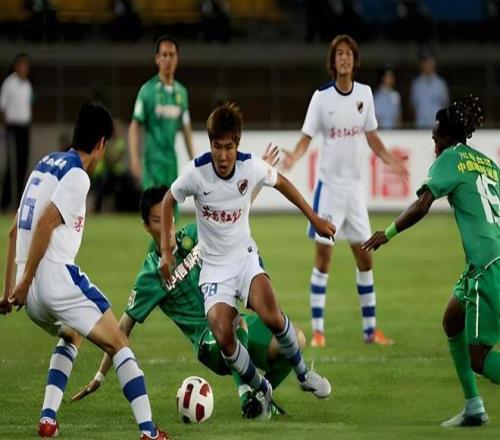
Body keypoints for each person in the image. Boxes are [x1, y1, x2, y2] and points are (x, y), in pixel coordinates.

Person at [1, 102, 168, 439]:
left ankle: (48, 419)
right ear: (102, 143)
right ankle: (149, 432)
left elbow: (14, 231)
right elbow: (46, 222)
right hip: (52, 279)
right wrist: (29, 279)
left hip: (30, 297)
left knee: (71, 334)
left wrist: (11, 291)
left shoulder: (43, 164)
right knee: (118, 342)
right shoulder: (77, 175)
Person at [159, 102, 335, 420]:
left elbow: (282, 183)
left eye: (228, 147)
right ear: (210, 144)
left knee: (273, 317)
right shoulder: (195, 172)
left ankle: (303, 374)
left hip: (244, 259)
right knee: (223, 334)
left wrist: (315, 218)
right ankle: (261, 388)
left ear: (237, 144)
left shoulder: (250, 166)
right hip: (214, 268)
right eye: (217, 146)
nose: (223, 155)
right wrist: (166, 250)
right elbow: (168, 199)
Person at [71, 184, 305, 417]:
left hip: (233, 322)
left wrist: (260, 179)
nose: (166, 226)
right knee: (234, 322)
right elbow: (122, 328)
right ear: (146, 226)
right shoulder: (150, 275)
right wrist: (99, 376)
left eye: (168, 217)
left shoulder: (194, 235)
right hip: (207, 342)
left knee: (296, 339)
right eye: (157, 221)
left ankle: (261, 400)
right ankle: (247, 399)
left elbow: (233, 215)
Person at [362, 95, 499, 427]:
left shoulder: (449, 158)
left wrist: (387, 233)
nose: (434, 144)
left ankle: (474, 406)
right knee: (452, 321)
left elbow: (423, 205)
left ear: (448, 137)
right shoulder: (488, 164)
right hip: (484, 262)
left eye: (436, 138)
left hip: (488, 264)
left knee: (478, 358)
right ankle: (473, 407)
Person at [281, 34, 408, 348]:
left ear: (355, 60)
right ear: (333, 61)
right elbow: (306, 137)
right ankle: (318, 332)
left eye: (349, 53)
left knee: (365, 258)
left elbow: (372, 137)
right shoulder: (321, 97)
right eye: (339, 53)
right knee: (323, 258)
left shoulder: (365, 94)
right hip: (329, 189)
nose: (344, 58)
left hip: (354, 191)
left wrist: (390, 159)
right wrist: (294, 156)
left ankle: (370, 331)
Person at [128, 34, 195, 192]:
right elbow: (134, 126)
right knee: (153, 205)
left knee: (172, 205)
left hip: (171, 163)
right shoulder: (147, 90)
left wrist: (193, 160)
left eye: (172, 55)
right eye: (164, 55)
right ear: (157, 59)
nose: (168, 59)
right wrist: (135, 158)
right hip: (152, 163)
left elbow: (186, 128)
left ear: (177, 58)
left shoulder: (182, 92)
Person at [0, 52, 33, 211]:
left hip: (24, 127)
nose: (24, 68)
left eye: (26, 65)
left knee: (23, 164)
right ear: (16, 66)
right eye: (21, 65)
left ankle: (20, 201)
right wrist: (5, 126)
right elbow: (3, 107)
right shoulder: (9, 83)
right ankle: (5, 202)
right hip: (12, 127)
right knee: (11, 164)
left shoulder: (27, 85)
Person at [410, 48, 449, 128]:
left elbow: (445, 105)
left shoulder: (440, 84)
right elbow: (413, 106)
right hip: (421, 126)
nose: (427, 65)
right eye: (424, 63)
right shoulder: (416, 84)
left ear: (433, 63)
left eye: (429, 62)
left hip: (437, 127)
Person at [373, 64, 402, 129]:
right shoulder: (377, 96)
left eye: (392, 76)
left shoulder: (396, 95)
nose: (391, 78)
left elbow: (398, 118)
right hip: (382, 132)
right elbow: (376, 119)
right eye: (389, 76)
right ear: (383, 77)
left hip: (394, 132)